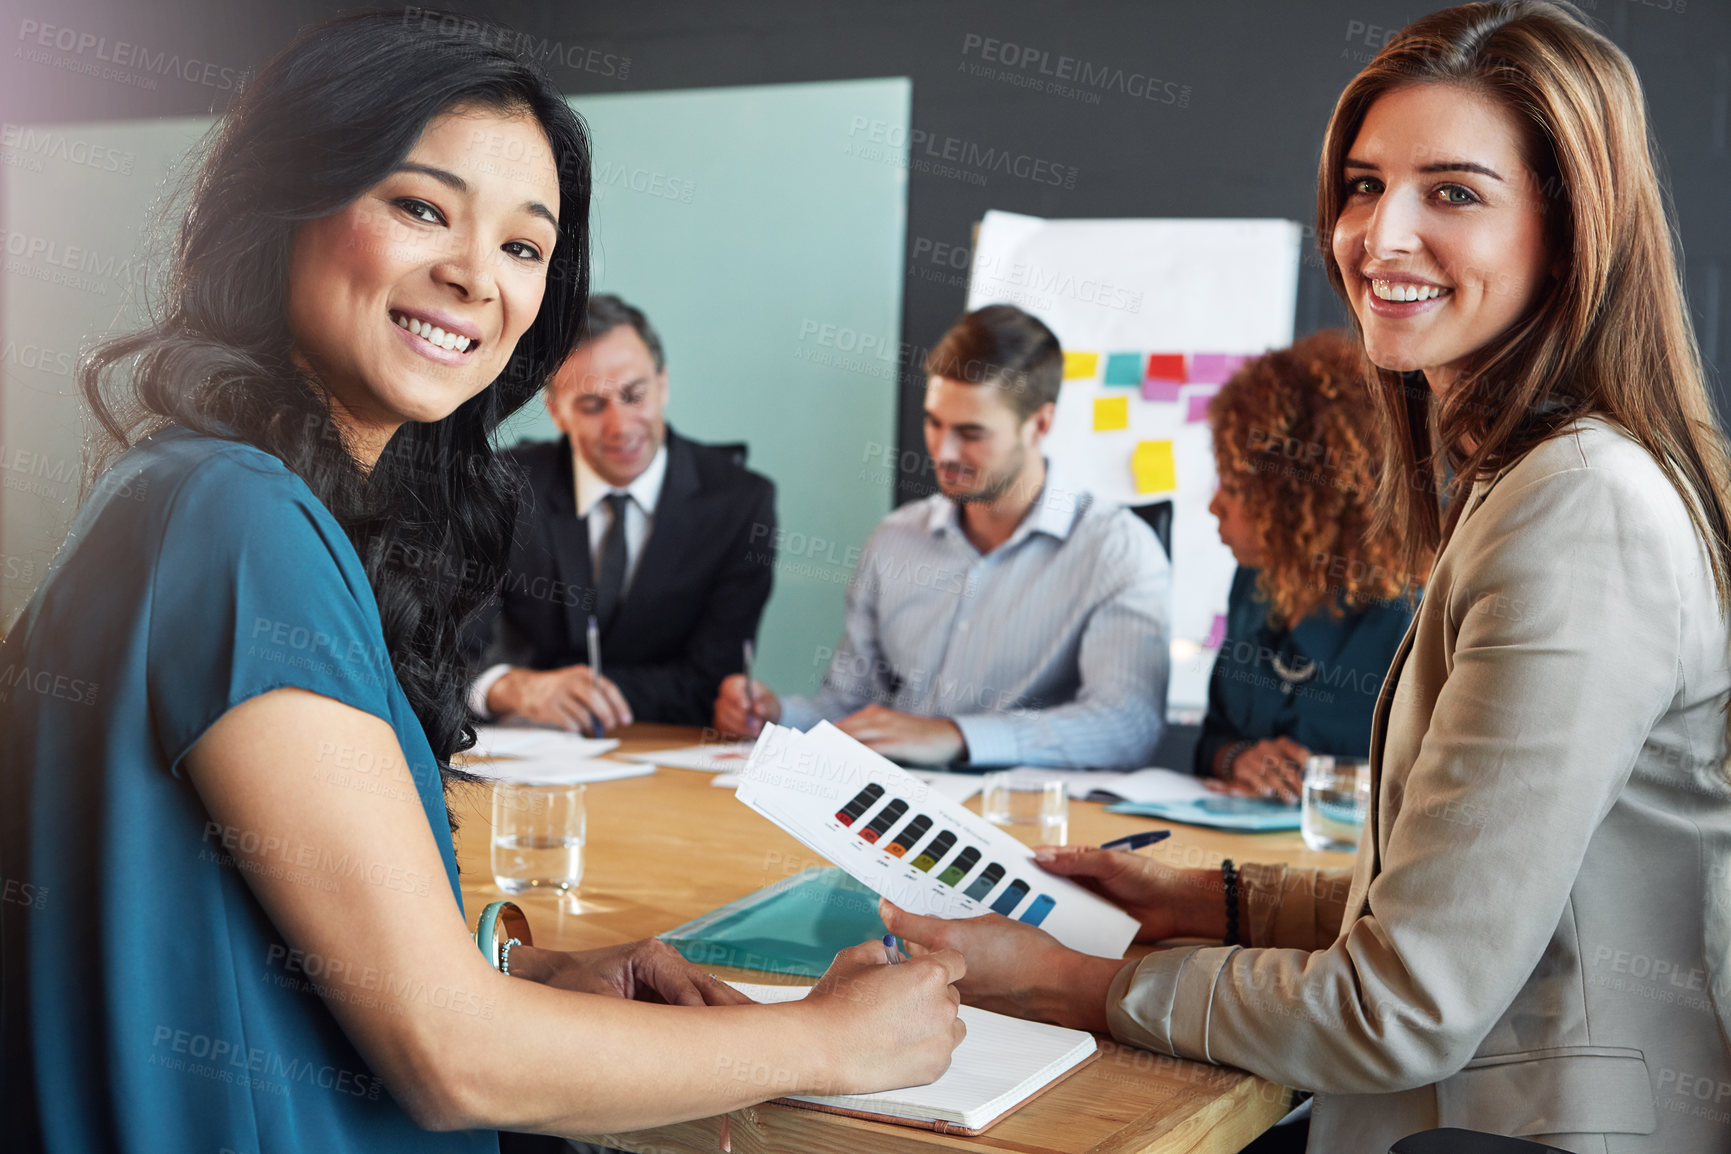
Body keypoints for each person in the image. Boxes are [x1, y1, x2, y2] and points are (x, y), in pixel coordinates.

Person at [0, 14, 964, 1152]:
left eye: (524, 245)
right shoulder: (235, 516)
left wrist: (520, 961)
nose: (473, 275)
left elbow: (215, 925)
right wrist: (832, 1039)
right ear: (287, 206)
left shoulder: (222, 492)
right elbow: (455, 1056)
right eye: (420, 207)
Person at [881, 3, 1731, 1151]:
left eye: (1455, 191)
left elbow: (1402, 1002)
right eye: (1366, 184)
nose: (1379, 235)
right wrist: (1217, 901)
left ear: (1573, 230)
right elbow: (1469, 898)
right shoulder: (1529, 480)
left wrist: (1071, 980)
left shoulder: (1582, 509)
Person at [712, 304, 1172, 769]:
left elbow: (1126, 725)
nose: (944, 452)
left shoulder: (1116, 550)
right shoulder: (895, 540)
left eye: (971, 433)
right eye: (934, 423)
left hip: (1029, 818)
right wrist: (777, 715)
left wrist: (954, 736)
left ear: (1040, 424)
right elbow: (854, 707)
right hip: (889, 810)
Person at [466, 293, 777, 731]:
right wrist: (509, 687)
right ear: (556, 412)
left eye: (634, 395)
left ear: (663, 384)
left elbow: (714, 679)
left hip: (667, 758)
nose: (620, 426)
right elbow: (439, 650)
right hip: (520, 751)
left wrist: (588, 696)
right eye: (592, 405)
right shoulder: (501, 486)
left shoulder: (740, 502)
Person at [1195, 329, 1422, 801]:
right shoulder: (1252, 582)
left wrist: (1337, 786)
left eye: (1236, 488)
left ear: (1300, 498)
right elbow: (1211, 741)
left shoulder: (1412, 619)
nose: (1214, 506)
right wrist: (1240, 760)